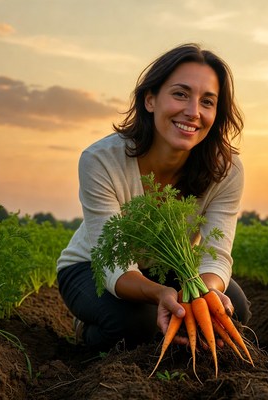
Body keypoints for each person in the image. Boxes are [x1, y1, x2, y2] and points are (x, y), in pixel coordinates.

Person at [57, 43, 251, 351]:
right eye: (180, 94)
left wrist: (204, 293)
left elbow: (216, 253)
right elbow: (115, 266)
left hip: (170, 267)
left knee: (232, 308)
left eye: (208, 101)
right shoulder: (101, 160)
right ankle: (84, 332)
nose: (193, 111)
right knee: (135, 325)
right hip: (93, 267)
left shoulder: (226, 170)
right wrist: (162, 295)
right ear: (150, 100)